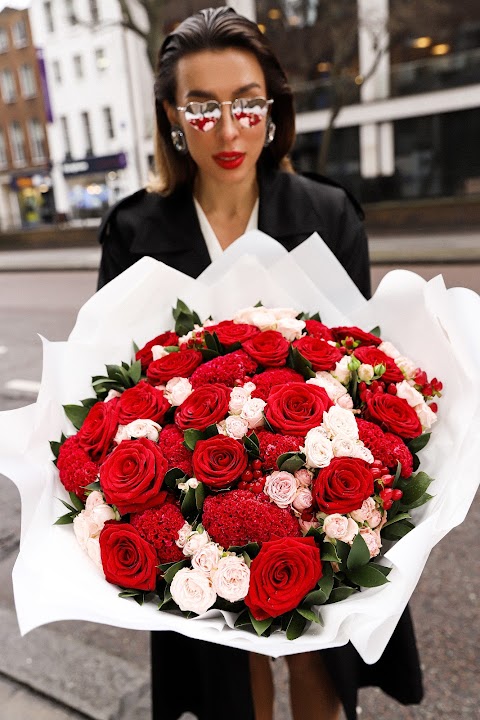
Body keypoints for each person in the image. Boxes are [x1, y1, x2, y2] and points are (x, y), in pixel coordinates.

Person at [97, 7, 423, 720]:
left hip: (315, 490)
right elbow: (118, 389)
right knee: (223, 669)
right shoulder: (133, 229)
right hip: (193, 507)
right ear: (172, 116)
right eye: (202, 107)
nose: (229, 127)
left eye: (246, 102)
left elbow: (362, 370)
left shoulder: (328, 214)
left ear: (273, 108)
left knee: (318, 652)